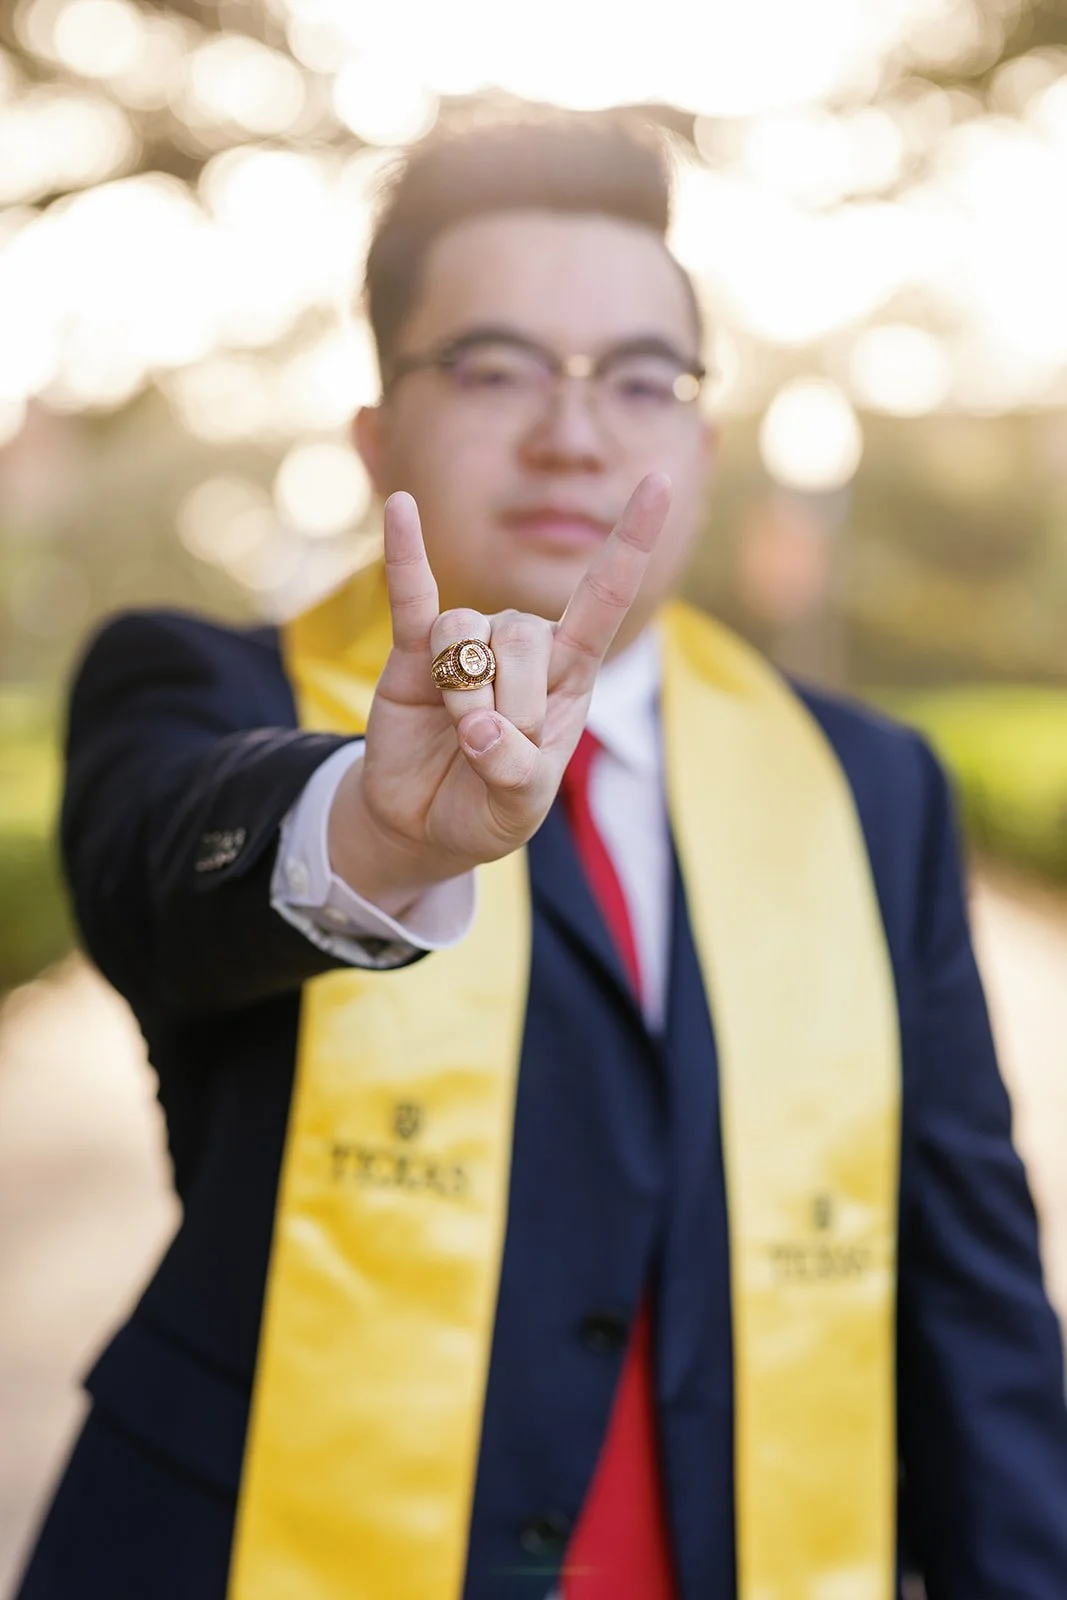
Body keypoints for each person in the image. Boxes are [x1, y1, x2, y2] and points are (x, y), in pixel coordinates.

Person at [17, 110, 1067, 1600]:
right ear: (375, 429)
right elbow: (154, 881)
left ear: (699, 447)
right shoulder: (211, 690)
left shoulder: (863, 782)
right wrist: (371, 831)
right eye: (494, 368)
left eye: (638, 379)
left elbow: (968, 1286)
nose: (572, 431)